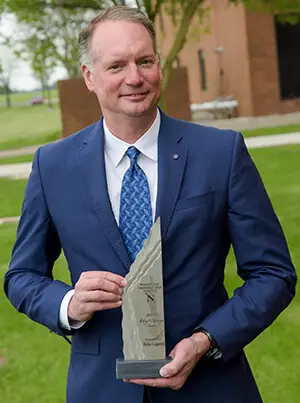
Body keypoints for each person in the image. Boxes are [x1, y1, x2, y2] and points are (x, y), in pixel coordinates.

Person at [4, 5, 296, 403]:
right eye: (116, 65)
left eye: (144, 60)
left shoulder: (220, 153)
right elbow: (22, 276)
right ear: (89, 77)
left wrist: (206, 340)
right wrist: (69, 304)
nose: (134, 77)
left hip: (211, 387)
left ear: (159, 63)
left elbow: (273, 273)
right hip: (100, 389)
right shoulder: (52, 166)